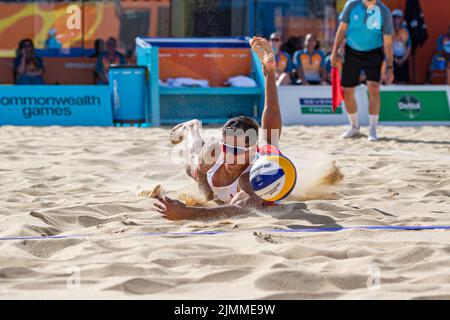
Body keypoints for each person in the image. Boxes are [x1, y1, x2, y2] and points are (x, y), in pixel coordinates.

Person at [153, 37, 284, 221]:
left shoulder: (253, 178)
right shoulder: (214, 153)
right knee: (190, 165)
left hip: (262, 162)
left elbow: (238, 211)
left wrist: (187, 213)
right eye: (227, 147)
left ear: (252, 151)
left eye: (237, 151)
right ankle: (192, 128)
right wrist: (207, 199)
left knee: (272, 139)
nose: (230, 154)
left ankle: (269, 72)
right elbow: (200, 174)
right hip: (208, 170)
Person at [330, 0, 394, 142]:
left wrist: (390, 67)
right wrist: (334, 52)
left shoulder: (384, 11)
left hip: (374, 53)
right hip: (351, 51)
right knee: (347, 91)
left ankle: (372, 129)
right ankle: (354, 126)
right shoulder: (352, 5)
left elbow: (388, 42)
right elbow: (341, 30)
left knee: (374, 88)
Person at [391, 9, 411, 84]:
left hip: (403, 59)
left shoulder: (405, 31)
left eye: (398, 17)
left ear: (401, 19)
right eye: (394, 17)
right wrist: (393, 58)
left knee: (403, 81)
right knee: (392, 81)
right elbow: (386, 46)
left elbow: (409, 46)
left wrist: (403, 59)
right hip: (392, 59)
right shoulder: (388, 30)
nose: (396, 20)